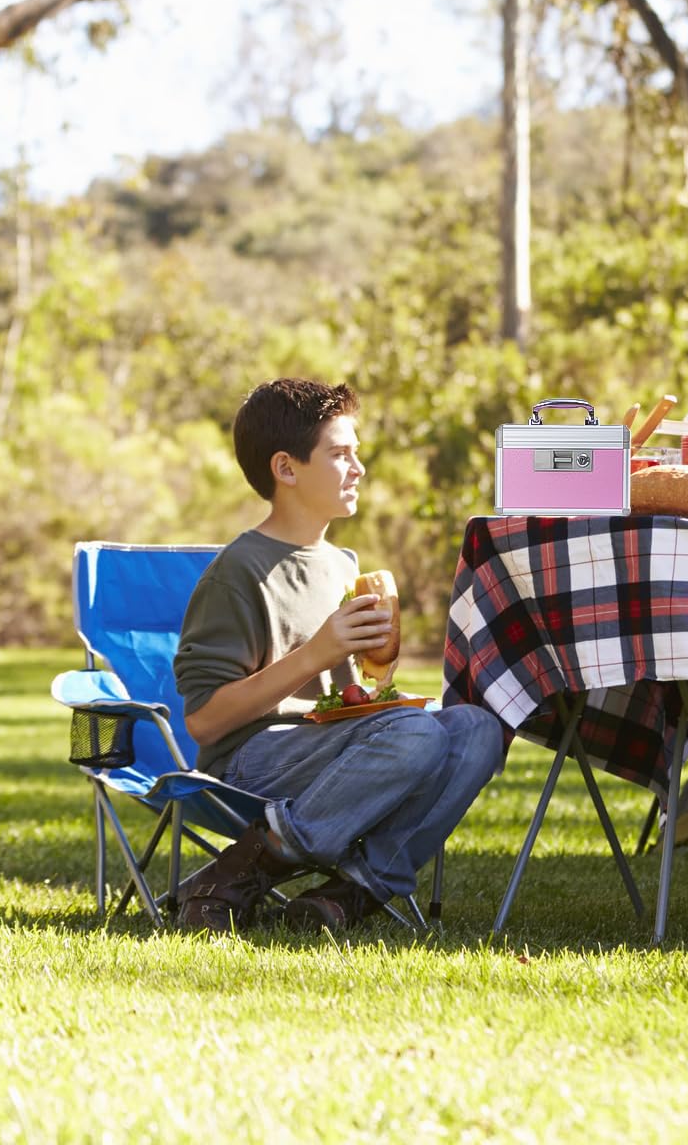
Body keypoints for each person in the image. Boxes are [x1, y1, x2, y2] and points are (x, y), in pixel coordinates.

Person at [173, 378, 505, 931]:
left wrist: (376, 676)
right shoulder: (239, 572)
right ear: (287, 468)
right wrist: (316, 652)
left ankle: (352, 893)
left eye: (357, 454)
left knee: (478, 729)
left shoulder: (342, 565)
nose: (359, 469)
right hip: (248, 763)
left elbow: (344, 701)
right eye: (340, 454)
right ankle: (243, 866)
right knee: (417, 733)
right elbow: (206, 722)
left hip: (326, 748)